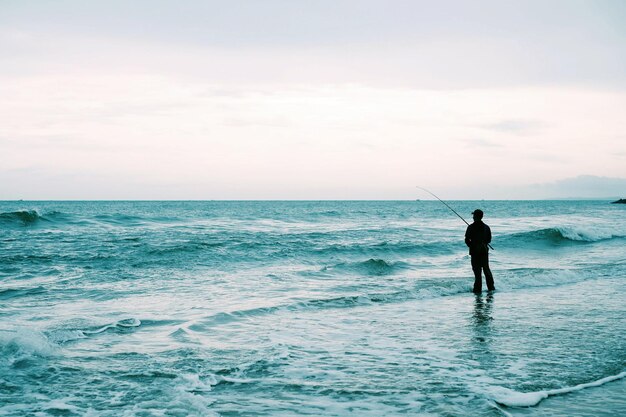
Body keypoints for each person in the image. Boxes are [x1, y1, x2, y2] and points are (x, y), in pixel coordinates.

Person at [465, 209, 495, 293]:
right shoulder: (487, 227)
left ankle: (477, 290)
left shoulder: (471, 227)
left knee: (477, 272)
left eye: (474, 215)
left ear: (476, 216)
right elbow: (489, 240)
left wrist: (472, 246)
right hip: (484, 251)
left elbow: (467, 239)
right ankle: (491, 288)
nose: (473, 217)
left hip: (475, 252)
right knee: (486, 269)